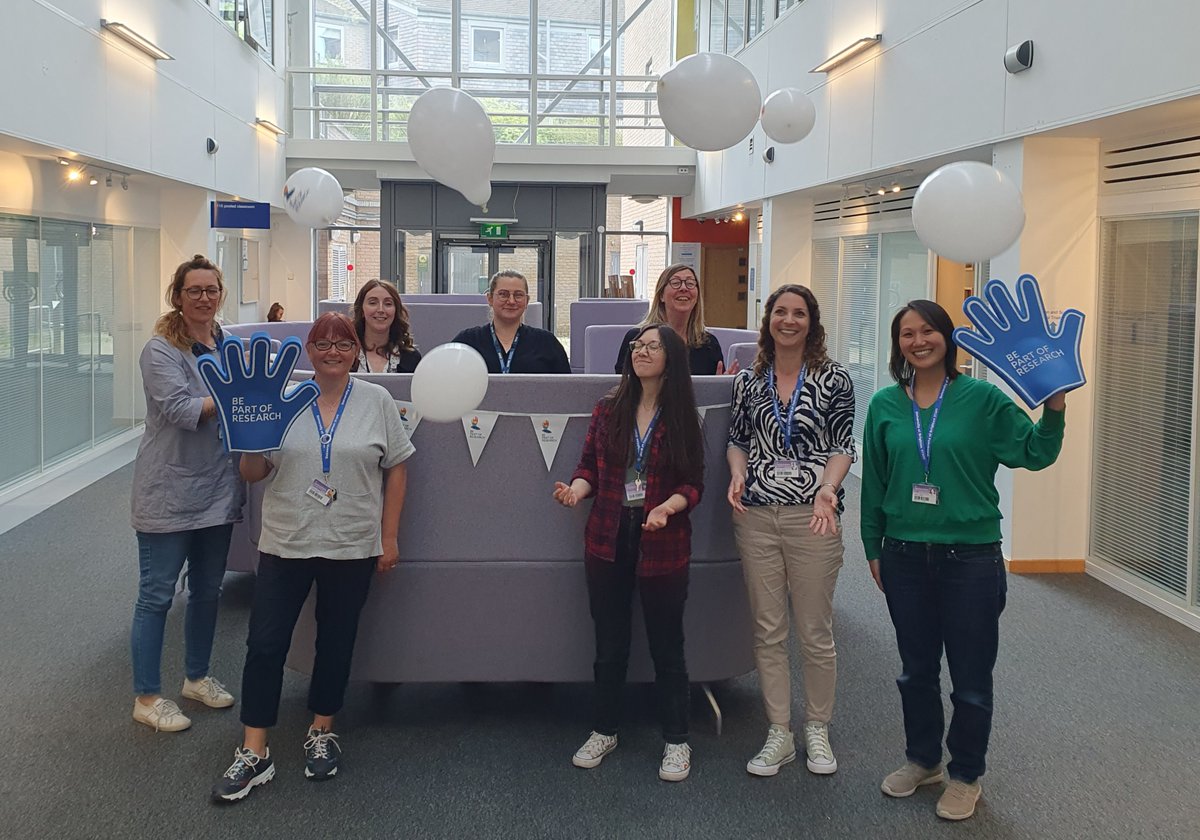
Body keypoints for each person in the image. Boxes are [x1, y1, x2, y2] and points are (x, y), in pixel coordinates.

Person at [861, 300, 1066, 821]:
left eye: (928, 330)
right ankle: (923, 759)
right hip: (904, 554)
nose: (918, 341)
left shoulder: (982, 401)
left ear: (948, 339)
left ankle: (966, 773)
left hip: (969, 558)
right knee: (916, 672)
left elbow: (1037, 453)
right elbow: (876, 486)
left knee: (971, 678)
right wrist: (873, 547)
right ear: (897, 344)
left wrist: (1056, 406)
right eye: (907, 333)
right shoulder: (885, 405)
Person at [211, 312, 414, 803]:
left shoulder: (377, 399)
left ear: (354, 351)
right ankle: (254, 749)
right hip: (287, 541)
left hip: (351, 544)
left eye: (342, 344)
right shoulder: (282, 399)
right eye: (322, 343)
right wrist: (249, 439)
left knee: (336, 642)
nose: (332, 352)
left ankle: (322, 729)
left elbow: (398, 467)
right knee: (264, 645)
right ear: (308, 349)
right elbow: (253, 473)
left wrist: (389, 537)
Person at [554, 324, 704, 782]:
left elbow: (693, 484)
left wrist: (667, 508)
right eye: (638, 346)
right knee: (610, 642)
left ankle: (677, 740)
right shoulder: (607, 408)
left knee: (667, 646)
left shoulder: (683, 416)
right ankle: (605, 729)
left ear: (671, 358)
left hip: (663, 539)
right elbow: (588, 469)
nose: (642, 352)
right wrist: (576, 492)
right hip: (606, 535)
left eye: (653, 346)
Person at [725, 284, 856, 779]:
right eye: (780, 312)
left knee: (815, 631)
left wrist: (829, 487)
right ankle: (779, 731)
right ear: (768, 320)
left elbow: (843, 445)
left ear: (811, 322)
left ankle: (817, 727)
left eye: (799, 313)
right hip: (755, 516)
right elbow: (738, 440)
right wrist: (737, 471)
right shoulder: (748, 380)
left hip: (812, 515)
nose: (789, 320)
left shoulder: (833, 378)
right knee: (768, 629)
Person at [130, 255, 245, 732]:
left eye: (211, 290)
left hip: (218, 489)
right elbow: (181, 409)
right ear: (177, 297)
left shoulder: (230, 343)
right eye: (194, 290)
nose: (204, 298)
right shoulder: (160, 351)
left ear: (221, 295)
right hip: (169, 491)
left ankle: (196, 677)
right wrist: (240, 396)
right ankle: (147, 696)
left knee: (206, 592)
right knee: (156, 596)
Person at [613, 263, 733, 375]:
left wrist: (722, 385)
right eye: (675, 283)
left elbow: (713, 391)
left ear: (697, 297)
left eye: (690, 283)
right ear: (661, 295)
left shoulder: (708, 343)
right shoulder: (637, 339)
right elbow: (622, 387)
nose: (684, 288)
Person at [451, 269, 570, 374]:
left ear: (527, 301)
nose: (511, 301)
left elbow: (565, 390)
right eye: (503, 294)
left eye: (518, 295)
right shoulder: (467, 341)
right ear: (490, 299)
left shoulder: (547, 343)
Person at [351, 279, 422, 373]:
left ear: (396, 311)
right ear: (362, 310)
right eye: (373, 303)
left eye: (388, 304)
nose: (381, 309)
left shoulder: (412, 358)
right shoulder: (345, 355)